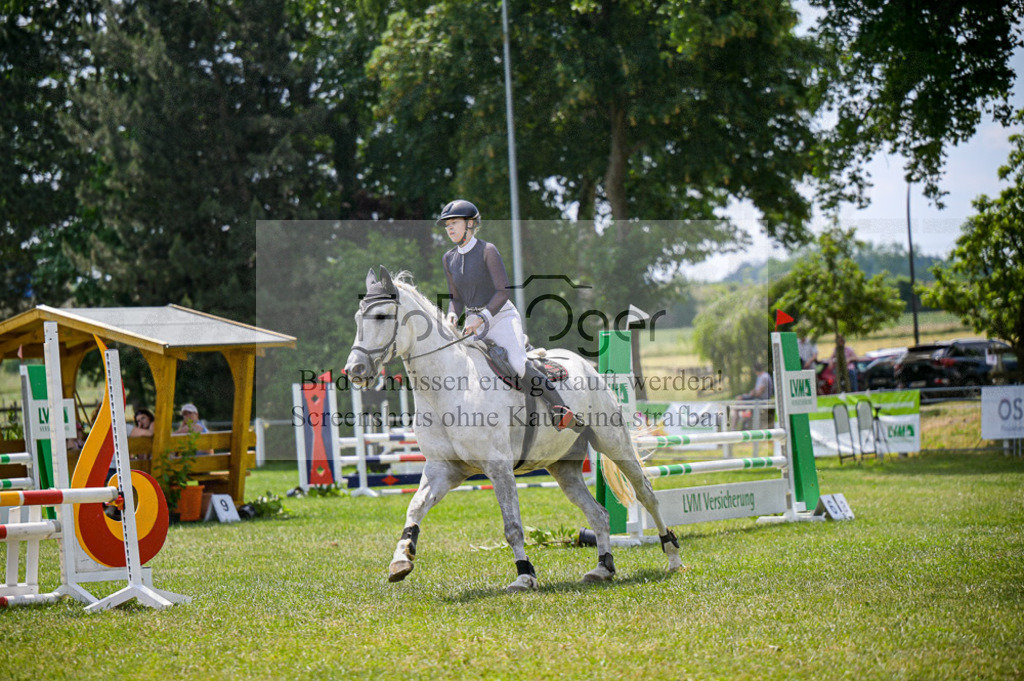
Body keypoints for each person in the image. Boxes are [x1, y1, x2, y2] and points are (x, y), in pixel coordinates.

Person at [437, 199, 579, 431]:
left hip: (500, 315)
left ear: (470, 224)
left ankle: (560, 409)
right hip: (472, 322)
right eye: (447, 225)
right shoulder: (448, 258)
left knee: (517, 363)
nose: (449, 228)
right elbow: (456, 299)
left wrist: (481, 317)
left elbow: (503, 291)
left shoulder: (487, 250)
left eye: (454, 223)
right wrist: (452, 315)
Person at [731, 361, 774, 430]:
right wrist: (749, 393)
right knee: (739, 402)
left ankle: (735, 428)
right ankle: (743, 425)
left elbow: (758, 393)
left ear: (755, 370)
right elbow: (756, 390)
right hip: (757, 399)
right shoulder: (760, 377)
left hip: (760, 400)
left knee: (738, 403)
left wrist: (748, 395)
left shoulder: (764, 377)